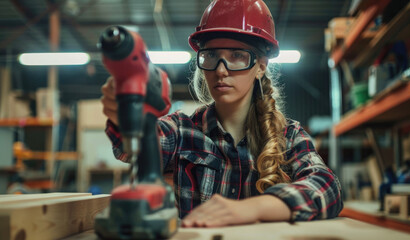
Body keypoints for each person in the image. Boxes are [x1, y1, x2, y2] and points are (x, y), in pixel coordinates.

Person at [101, 0, 343, 228]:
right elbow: (130, 147)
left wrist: (254, 209)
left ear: (260, 66)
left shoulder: (289, 136)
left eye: (237, 56)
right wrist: (124, 112)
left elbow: (327, 187)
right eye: (212, 56)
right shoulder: (182, 131)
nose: (220, 70)